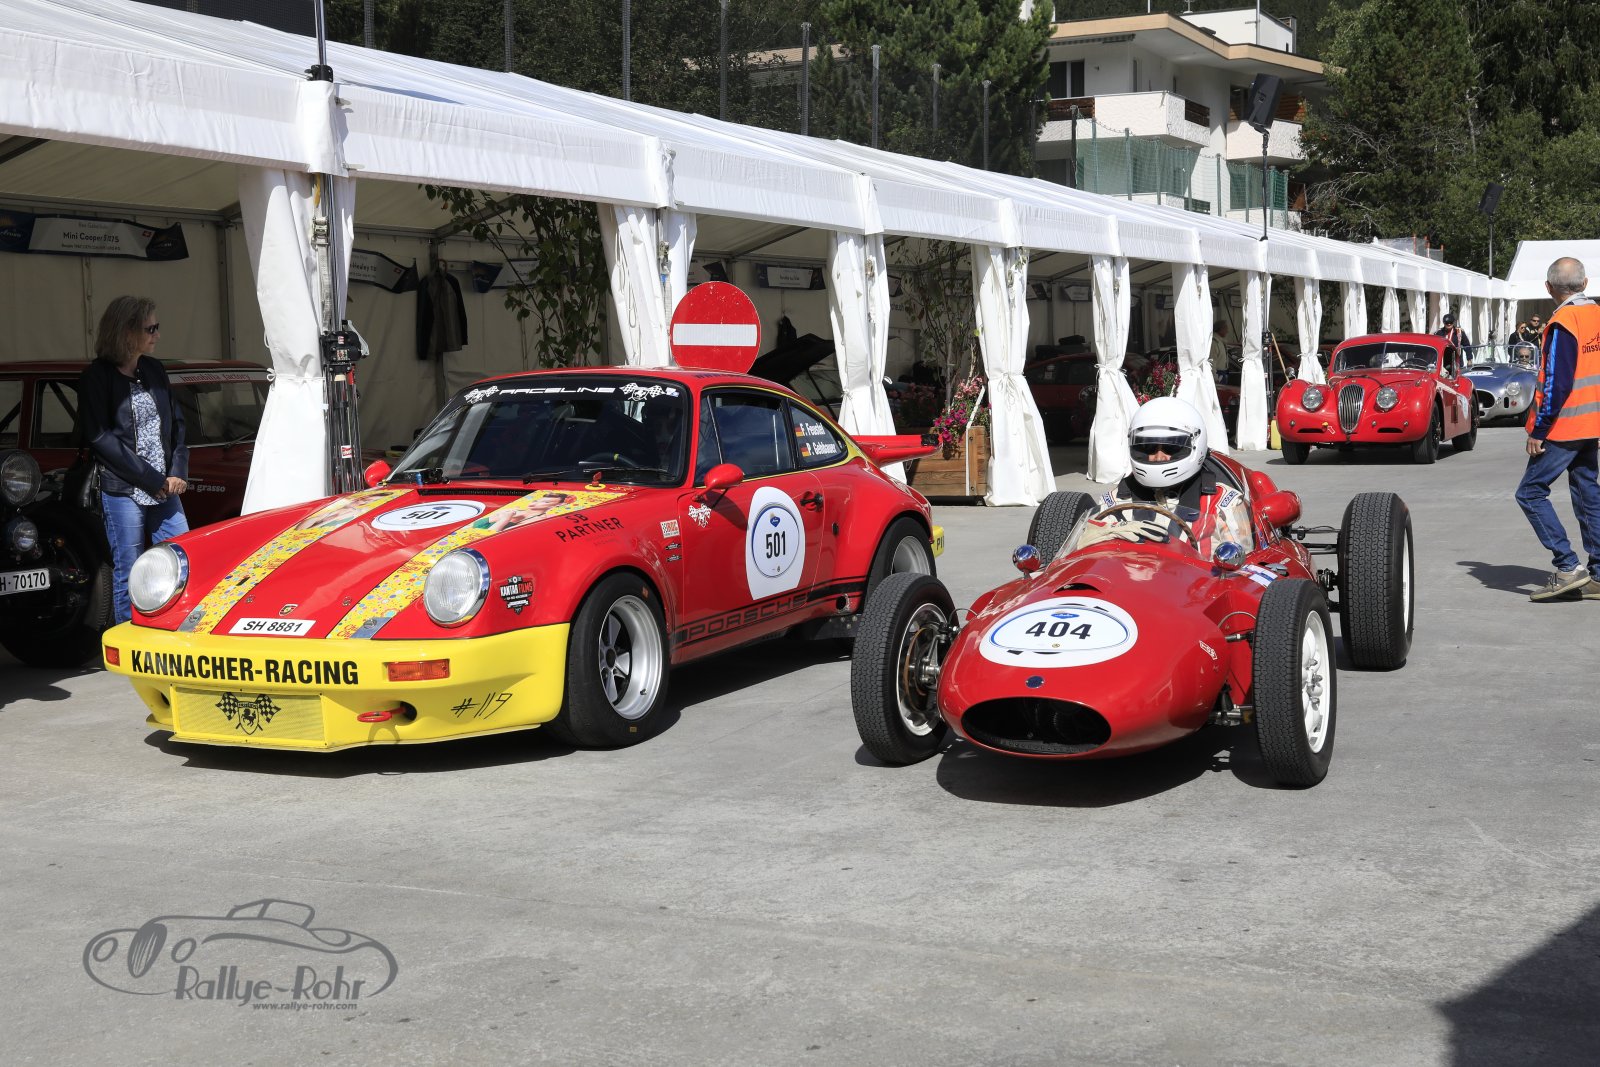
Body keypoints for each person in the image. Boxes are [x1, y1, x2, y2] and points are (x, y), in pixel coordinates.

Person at [77, 297, 189, 624]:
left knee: (183, 561)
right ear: (126, 332)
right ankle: (128, 640)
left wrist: (177, 471)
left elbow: (178, 424)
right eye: (150, 328)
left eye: (157, 327)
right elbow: (100, 438)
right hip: (124, 490)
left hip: (164, 488)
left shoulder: (154, 369)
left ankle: (175, 631)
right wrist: (151, 479)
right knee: (130, 568)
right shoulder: (96, 377)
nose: (157, 335)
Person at [1515, 257, 1600, 601]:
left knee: (1529, 492)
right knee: (1587, 492)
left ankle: (1568, 566)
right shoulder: (1596, 315)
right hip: (1591, 423)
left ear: (1549, 288)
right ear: (1586, 283)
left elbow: (1557, 382)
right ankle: (1598, 575)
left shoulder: (1564, 321)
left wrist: (1540, 430)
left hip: (1565, 427)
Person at [1078, 396, 1252, 556]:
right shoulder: (1115, 500)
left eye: (1171, 448)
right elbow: (1090, 557)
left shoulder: (1223, 504)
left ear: (1196, 446)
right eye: (1148, 448)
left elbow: (1242, 567)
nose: (1159, 457)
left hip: (1195, 579)